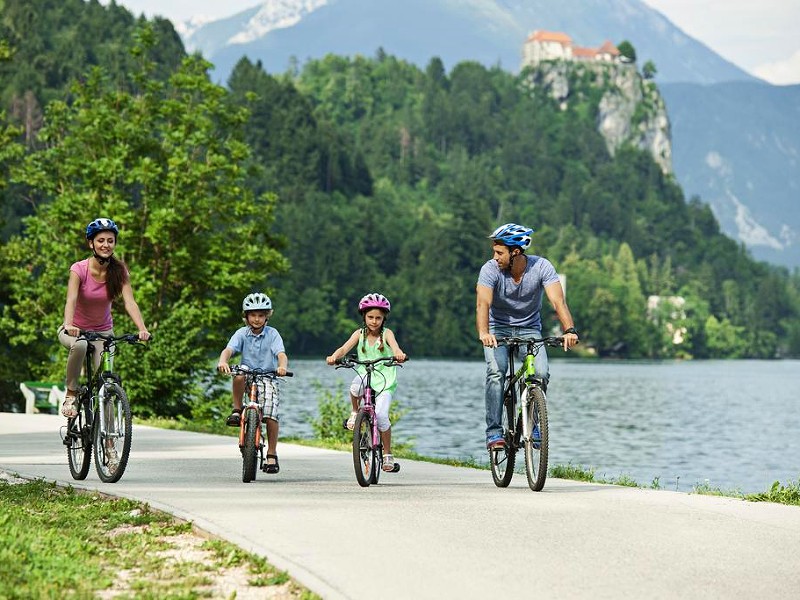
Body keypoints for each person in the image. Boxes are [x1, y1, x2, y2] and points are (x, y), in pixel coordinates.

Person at [476, 223, 579, 450]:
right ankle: (494, 432)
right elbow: (483, 303)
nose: (495, 257)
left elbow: (557, 301)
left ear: (516, 252)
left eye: (499, 252)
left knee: (540, 373)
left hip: (530, 329)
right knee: (496, 373)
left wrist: (569, 330)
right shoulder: (490, 270)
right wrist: (484, 333)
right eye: (494, 251)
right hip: (497, 329)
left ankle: (531, 421)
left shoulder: (541, 267)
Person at [59, 218, 151, 420]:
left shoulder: (119, 271)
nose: (106, 245)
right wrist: (69, 324)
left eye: (110, 240)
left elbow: (130, 302)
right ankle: (71, 394)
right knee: (81, 346)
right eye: (101, 240)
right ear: (91, 243)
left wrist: (142, 328)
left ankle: (109, 445)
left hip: (103, 334)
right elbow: (71, 299)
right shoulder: (79, 269)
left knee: (107, 385)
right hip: (76, 331)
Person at [326, 293, 407, 472]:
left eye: (378, 317)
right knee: (355, 386)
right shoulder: (359, 334)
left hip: (385, 380)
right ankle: (355, 412)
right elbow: (344, 348)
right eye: (370, 317)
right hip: (365, 373)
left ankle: (387, 454)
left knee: (382, 415)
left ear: (384, 318)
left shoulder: (387, 334)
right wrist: (334, 356)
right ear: (364, 316)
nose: (374, 321)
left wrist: (398, 354)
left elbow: (395, 347)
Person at [217, 292, 288, 474]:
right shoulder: (242, 333)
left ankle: (271, 454)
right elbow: (229, 350)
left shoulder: (273, 334)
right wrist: (223, 361)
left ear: (267, 317)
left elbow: (281, 354)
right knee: (239, 373)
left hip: (268, 377)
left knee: (271, 415)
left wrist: (282, 367)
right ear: (246, 317)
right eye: (253, 315)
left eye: (261, 315)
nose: (257, 319)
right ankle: (237, 409)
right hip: (247, 374)